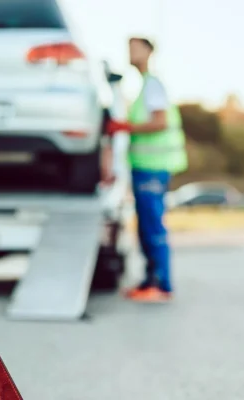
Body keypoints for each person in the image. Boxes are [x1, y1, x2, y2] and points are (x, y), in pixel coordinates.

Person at [102, 37, 188, 303]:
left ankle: (161, 284)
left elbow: (159, 123)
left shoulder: (152, 86)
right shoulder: (144, 87)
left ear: (149, 52)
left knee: (152, 226)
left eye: (135, 47)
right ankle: (151, 280)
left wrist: (124, 127)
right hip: (144, 168)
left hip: (153, 168)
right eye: (128, 47)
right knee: (145, 226)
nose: (130, 52)